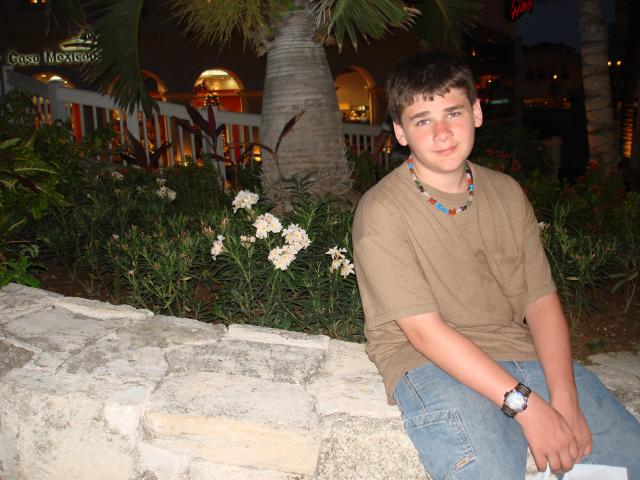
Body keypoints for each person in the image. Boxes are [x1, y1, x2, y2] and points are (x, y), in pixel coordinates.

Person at [352, 50, 640, 480]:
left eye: (453, 113)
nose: (442, 133)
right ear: (400, 132)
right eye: (423, 120)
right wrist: (528, 406)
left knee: (629, 459)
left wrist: (564, 399)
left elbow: (540, 301)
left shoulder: (506, 193)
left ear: (476, 112)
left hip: (520, 354)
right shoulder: (381, 211)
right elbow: (424, 334)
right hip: (429, 363)